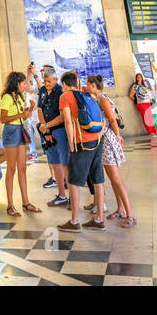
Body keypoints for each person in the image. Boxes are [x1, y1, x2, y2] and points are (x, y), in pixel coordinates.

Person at [56, 71, 105, 231]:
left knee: (74, 181)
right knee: (98, 179)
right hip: (98, 138)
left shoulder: (65, 97)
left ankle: (75, 221)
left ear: (64, 84)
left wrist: (71, 143)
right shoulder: (86, 94)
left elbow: (68, 122)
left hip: (82, 142)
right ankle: (99, 219)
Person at [86, 75, 135, 227]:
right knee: (112, 178)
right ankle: (120, 209)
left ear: (93, 85)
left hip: (108, 140)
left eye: (88, 85)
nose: (86, 87)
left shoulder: (102, 98)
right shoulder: (97, 97)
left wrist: (118, 136)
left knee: (116, 179)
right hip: (105, 140)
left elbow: (112, 119)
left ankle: (130, 215)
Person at [0, 71, 41, 216]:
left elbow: (21, 115)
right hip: (10, 132)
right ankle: (10, 205)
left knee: (22, 168)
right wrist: (22, 114)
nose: (25, 86)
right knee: (11, 168)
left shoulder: (19, 97)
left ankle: (26, 203)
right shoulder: (7, 97)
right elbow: (3, 118)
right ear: (16, 84)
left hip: (20, 130)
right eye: (23, 83)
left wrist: (29, 110)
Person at [37, 66, 70, 206]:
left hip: (60, 131)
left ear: (56, 80)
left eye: (49, 81)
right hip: (47, 133)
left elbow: (63, 116)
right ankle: (61, 195)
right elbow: (40, 109)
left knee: (65, 164)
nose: (46, 84)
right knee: (55, 164)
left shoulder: (61, 92)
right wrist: (45, 130)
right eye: (45, 81)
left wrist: (48, 126)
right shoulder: (43, 91)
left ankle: (72, 199)